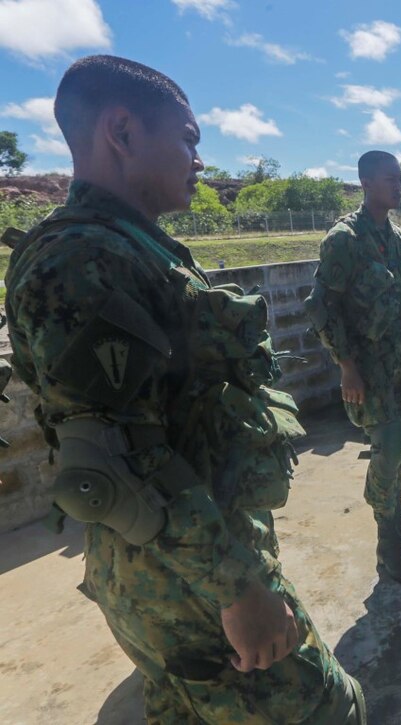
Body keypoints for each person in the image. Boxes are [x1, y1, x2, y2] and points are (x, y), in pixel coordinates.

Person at [3, 56, 363, 722]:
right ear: (122, 131)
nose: (198, 159)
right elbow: (115, 460)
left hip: (187, 558)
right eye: (190, 139)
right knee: (331, 706)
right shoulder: (82, 260)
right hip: (187, 576)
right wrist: (238, 589)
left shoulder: (130, 246)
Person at [306, 150, 401, 585]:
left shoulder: (398, 239)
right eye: (390, 179)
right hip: (368, 370)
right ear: (365, 183)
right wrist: (346, 366)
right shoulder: (344, 239)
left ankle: (395, 516)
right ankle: (387, 546)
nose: (399, 186)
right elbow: (323, 307)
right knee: (387, 446)